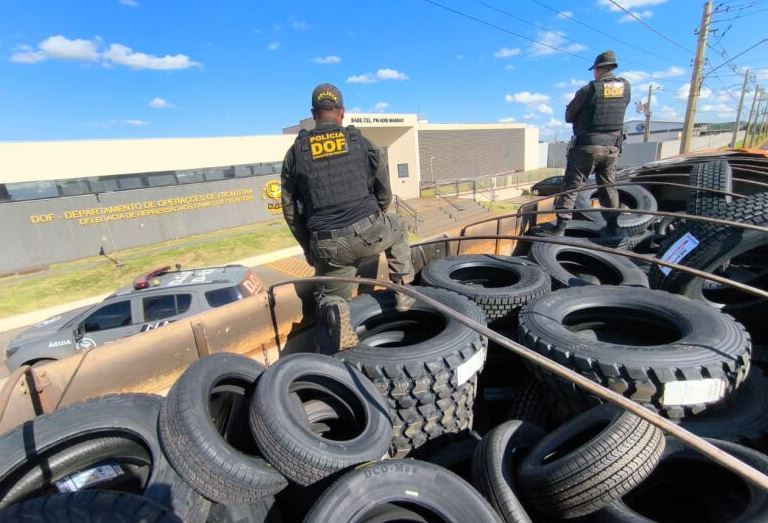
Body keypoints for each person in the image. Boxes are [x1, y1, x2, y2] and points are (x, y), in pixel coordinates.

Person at [281, 83, 415, 351]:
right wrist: (374, 219)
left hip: (328, 246)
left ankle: (337, 310)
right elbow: (384, 191)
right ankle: (402, 290)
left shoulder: (296, 153)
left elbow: (289, 209)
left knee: (331, 295)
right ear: (341, 112)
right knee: (398, 225)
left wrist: (309, 248)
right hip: (368, 231)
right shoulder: (360, 142)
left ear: (314, 113)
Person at [553, 50, 631, 236]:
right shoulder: (626, 87)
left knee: (572, 185)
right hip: (612, 148)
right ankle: (612, 225)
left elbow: (569, 116)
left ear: (598, 69)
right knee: (608, 186)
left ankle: (560, 227)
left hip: (586, 147)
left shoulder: (589, 89)